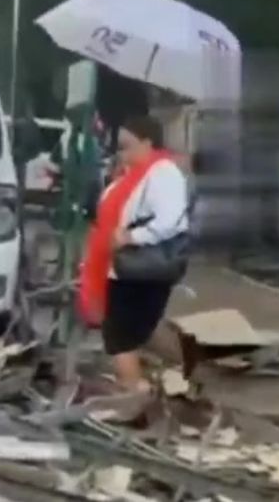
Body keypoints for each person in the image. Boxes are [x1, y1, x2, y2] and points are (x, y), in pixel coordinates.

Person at [78, 115, 189, 395]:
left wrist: (132, 236)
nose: (121, 153)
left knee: (120, 337)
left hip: (140, 268)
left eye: (127, 145)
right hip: (123, 267)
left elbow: (170, 220)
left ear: (147, 142)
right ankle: (179, 368)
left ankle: (135, 394)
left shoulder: (162, 172)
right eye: (119, 147)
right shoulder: (131, 176)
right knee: (136, 330)